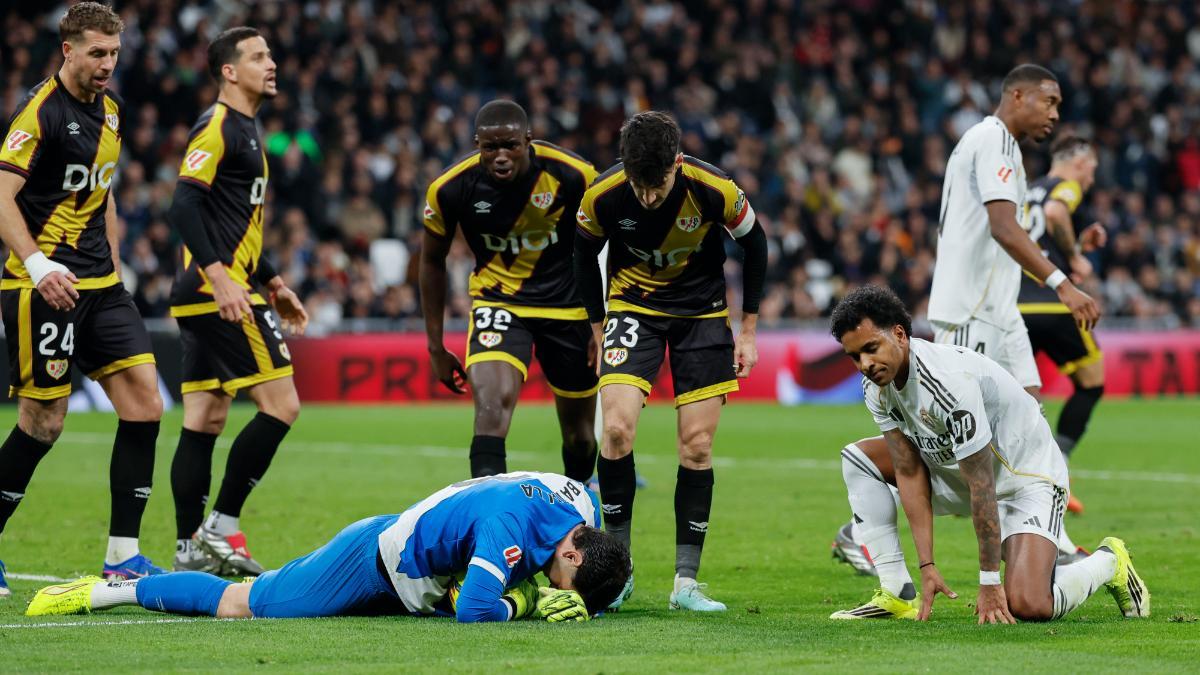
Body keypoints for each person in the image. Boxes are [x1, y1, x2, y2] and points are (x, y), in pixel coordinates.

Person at [831, 65, 1098, 573]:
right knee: (961, 445)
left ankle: (1049, 542)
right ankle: (858, 534)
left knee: (1029, 426)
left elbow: (1015, 228)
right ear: (1016, 95)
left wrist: (1076, 249)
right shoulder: (991, 138)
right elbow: (1002, 227)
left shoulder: (1005, 151)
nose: (1055, 113)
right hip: (973, 311)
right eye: (1049, 101)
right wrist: (1063, 283)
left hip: (1002, 310)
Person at [827, 285, 1148, 622]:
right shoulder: (876, 387)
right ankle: (897, 594)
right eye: (855, 356)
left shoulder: (949, 382)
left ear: (899, 335)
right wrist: (928, 565)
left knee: (1030, 604)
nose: (864, 363)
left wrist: (989, 582)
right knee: (858, 459)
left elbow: (982, 483)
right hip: (957, 472)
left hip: (1025, 479)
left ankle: (1109, 561)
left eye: (871, 348)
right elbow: (908, 471)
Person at [573, 111, 768, 611]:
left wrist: (747, 329)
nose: (647, 197)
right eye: (639, 186)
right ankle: (618, 572)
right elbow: (582, 254)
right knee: (615, 430)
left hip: (702, 314)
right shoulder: (603, 195)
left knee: (698, 445)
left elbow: (756, 243)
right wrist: (598, 328)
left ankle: (685, 584)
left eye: (657, 186)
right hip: (632, 309)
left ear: (677, 163)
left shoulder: (715, 188)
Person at [0, 2, 164, 588]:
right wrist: (39, 264)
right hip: (42, 284)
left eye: (114, 54)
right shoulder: (38, 113)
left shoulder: (112, 113)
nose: (107, 64)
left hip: (100, 284)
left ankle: (122, 557)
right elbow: (2, 197)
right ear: (67, 49)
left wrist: (116, 271)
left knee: (146, 404)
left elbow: (104, 196)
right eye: (97, 53)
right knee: (44, 422)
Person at [26, 472, 632, 624]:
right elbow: (475, 608)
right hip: (373, 562)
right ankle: (109, 591)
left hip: (418, 568)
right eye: (563, 583)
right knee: (248, 605)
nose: (556, 589)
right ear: (572, 554)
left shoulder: (577, 505)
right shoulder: (512, 527)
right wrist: (525, 605)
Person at [166, 27, 308, 576]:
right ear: (229, 70)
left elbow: (235, 225)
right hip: (218, 294)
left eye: (271, 53)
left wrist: (272, 280)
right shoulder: (219, 126)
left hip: (209, 291)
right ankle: (222, 526)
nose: (271, 64)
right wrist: (223, 277)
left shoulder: (248, 129)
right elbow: (183, 206)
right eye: (257, 56)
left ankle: (187, 549)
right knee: (283, 405)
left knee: (204, 418)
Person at [420, 100, 601, 483]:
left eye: (511, 146)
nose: (500, 156)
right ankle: (489, 522)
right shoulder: (451, 188)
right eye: (490, 147)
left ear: (528, 141)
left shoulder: (575, 175)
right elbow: (431, 262)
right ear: (477, 144)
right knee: (491, 409)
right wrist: (436, 347)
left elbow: (610, 245)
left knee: (581, 437)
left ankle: (577, 513)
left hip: (569, 309)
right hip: (499, 303)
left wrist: (603, 323)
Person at [1017, 136, 1106, 513]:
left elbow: (1034, 239)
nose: (1092, 178)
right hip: (1053, 306)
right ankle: (1058, 470)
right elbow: (1055, 214)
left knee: (1016, 396)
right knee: (1092, 382)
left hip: (1014, 307)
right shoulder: (1064, 188)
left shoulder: (1026, 190)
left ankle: (990, 477)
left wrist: (1078, 244)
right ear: (1080, 162)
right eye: (1093, 168)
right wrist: (1076, 258)